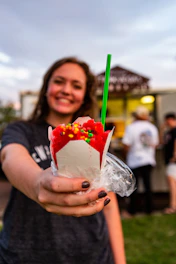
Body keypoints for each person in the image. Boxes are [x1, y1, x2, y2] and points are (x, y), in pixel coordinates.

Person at [0, 57, 126, 264]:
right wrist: (37, 183)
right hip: (25, 254)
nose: (66, 90)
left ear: (84, 95)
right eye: (59, 81)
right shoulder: (21, 130)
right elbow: (10, 157)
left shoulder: (96, 140)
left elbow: (109, 205)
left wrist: (120, 261)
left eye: (76, 86)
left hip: (91, 255)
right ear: (46, 86)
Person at [122, 106, 159, 215]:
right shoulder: (152, 127)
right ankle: (149, 210)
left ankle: (132, 210)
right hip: (149, 160)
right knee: (148, 186)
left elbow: (126, 145)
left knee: (134, 187)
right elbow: (155, 144)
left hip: (134, 160)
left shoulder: (131, 127)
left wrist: (125, 157)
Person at [160, 112, 176, 214]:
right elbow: (161, 142)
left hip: (173, 161)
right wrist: (162, 130)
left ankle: (173, 205)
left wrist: (175, 155)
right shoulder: (168, 132)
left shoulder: (175, 130)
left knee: (171, 181)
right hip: (169, 160)